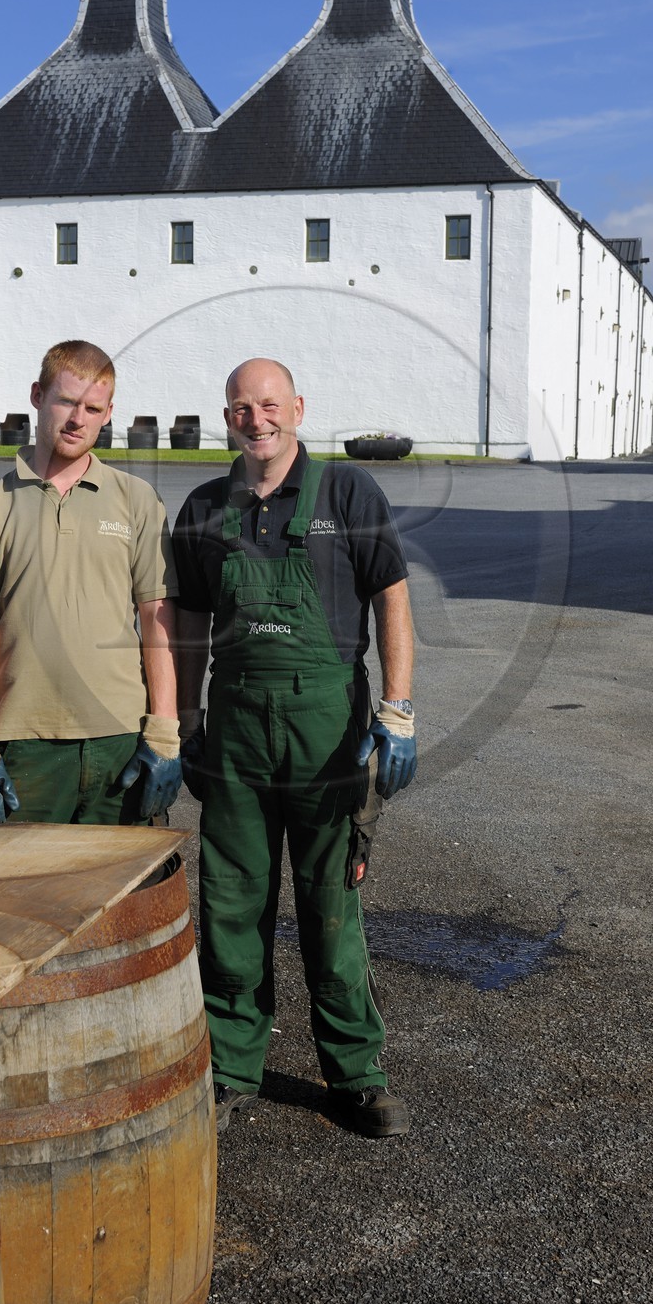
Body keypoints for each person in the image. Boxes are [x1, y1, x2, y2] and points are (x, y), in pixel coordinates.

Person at [173, 357, 418, 1138]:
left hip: (327, 732)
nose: (256, 419)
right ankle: (232, 1068)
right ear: (227, 416)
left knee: (329, 905)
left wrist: (399, 710)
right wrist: (183, 720)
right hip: (237, 730)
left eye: (269, 404)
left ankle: (354, 1076)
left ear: (298, 409)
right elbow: (183, 624)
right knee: (232, 906)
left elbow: (392, 600)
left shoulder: (349, 493)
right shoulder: (205, 507)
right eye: (241, 407)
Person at [0, 339, 181, 826]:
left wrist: (163, 732)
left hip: (122, 739)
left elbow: (158, 620)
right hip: (25, 746)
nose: (78, 419)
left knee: (125, 896)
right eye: (67, 402)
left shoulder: (137, 500)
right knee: (25, 896)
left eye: (93, 408)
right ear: (37, 395)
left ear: (108, 412)